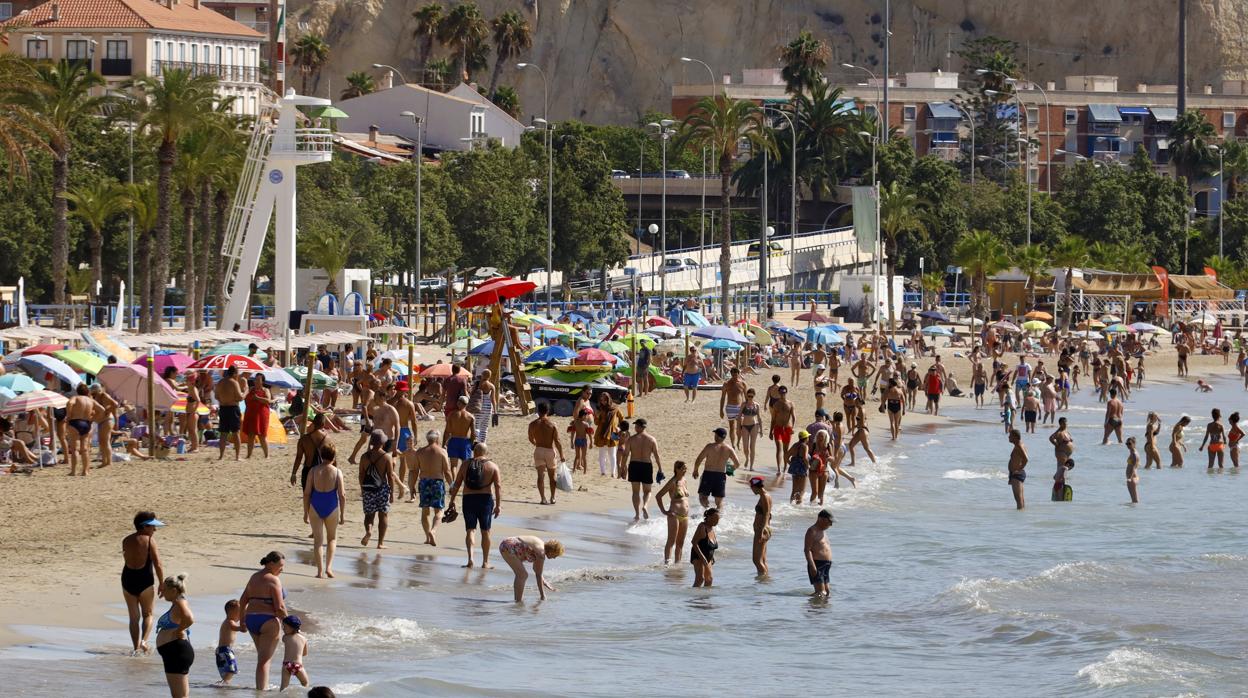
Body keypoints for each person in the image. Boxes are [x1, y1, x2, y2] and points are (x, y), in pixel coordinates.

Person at [238, 551, 288, 690]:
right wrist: (290, 624)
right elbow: (279, 607)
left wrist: (242, 621)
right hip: (268, 621)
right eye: (280, 565)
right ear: (271, 563)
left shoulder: (254, 577)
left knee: (262, 658)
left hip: (251, 619)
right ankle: (262, 691)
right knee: (264, 661)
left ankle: (261, 689)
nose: (282, 569)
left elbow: (243, 600)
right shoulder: (273, 580)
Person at [448, 442, 502, 568]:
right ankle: (485, 562)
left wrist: (452, 500)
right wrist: (498, 505)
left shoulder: (465, 464)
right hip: (485, 500)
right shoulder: (492, 466)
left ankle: (470, 559)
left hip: (468, 499)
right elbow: (498, 486)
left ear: (474, 451)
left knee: (470, 530)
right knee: (485, 531)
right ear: (485, 452)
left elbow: (457, 484)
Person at [122, 512, 166, 655]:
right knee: (148, 614)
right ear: (145, 526)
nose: (155, 530)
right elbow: (158, 563)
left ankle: (136, 649)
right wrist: (162, 582)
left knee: (133, 618)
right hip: (144, 579)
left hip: (127, 579)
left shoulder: (126, 540)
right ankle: (144, 641)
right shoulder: (149, 540)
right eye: (153, 527)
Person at [304, 443, 345, 578]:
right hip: (331, 506)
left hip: (316, 505)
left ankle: (320, 571)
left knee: (318, 540)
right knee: (332, 538)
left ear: (322, 456)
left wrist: (305, 511)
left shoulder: (313, 471)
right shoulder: (337, 472)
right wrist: (343, 514)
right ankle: (329, 568)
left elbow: (307, 493)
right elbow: (342, 495)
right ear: (334, 456)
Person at [155, 574, 194, 698]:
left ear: (173, 590)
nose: (163, 592)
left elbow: (189, 618)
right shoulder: (177, 601)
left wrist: (180, 630)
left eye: (164, 590)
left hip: (176, 652)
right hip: (174, 653)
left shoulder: (179, 602)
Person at [412, 430, 452, 545]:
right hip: (437, 482)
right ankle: (433, 531)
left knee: (425, 511)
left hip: (424, 482)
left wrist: (412, 487)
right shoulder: (442, 451)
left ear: (427, 439)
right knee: (439, 511)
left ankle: (427, 537)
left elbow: (415, 471)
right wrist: (452, 485)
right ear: (437, 439)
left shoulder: (419, 452)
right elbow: (447, 471)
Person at [359, 430, 397, 549]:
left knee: (369, 515)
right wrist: (392, 492)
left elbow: (361, 475)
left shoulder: (364, 456)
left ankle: (369, 531)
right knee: (383, 515)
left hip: (368, 488)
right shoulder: (386, 457)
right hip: (382, 489)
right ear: (382, 443)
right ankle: (380, 543)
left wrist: (362, 488)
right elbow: (390, 476)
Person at [499, 536, 563, 602]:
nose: (555, 558)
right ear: (552, 551)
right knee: (522, 575)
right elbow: (538, 575)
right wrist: (542, 595)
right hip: (509, 547)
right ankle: (518, 602)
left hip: (506, 543)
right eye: (555, 555)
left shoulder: (540, 544)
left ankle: (517, 600)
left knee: (521, 575)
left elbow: (536, 569)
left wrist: (543, 581)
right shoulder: (541, 553)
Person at [621, 418, 662, 521]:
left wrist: (622, 468)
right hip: (646, 465)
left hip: (634, 465)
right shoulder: (652, 439)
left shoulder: (631, 439)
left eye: (636, 426)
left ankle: (637, 514)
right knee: (647, 491)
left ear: (641, 427)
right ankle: (645, 506)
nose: (635, 427)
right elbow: (657, 456)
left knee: (635, 492)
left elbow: (625, 455)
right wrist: (660, 469)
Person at [693, 427, 741, 510]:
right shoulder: (729, 449)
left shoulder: (710, 446)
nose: (714, 436)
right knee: (719, 502)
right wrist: (729, 470)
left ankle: (707, 512)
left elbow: (699, 459)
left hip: (708, 474)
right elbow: (737, 464)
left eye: (715, 434)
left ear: (718, 436)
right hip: (720, 476)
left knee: (703, 497)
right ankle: (718, 517)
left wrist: (695, 470)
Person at [654, 460, 690, 565]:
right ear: (677, 469)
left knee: (680, 543)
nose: (685, 470)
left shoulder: (684, 480)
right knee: (671, 541)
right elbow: (658, 496)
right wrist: (664, 511)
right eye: (683, 468)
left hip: (685, 516)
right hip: (674, 514)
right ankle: (667, 564)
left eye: (686, 468)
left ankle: (677, 564)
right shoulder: (672, 482)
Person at [527, 403, 564, 505]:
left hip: (538, 450)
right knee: (552, 477)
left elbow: (530, 438)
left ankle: (543, 498)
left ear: (538, 411)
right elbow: (557, 441)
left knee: (540, 476)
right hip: (549, 451)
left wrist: (537, 444)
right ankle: (552, 497)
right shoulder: (552, 425)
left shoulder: (532, 424)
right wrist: (562, 455)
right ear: (548, 411)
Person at [64, 384, 97, 475]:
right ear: (87, 392)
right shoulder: (91, 400)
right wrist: (92, 418)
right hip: (86, 423)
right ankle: (85, 471)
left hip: (75, 422)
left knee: (75, 449)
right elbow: (101, 410)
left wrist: (69, 415)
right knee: (85, 449)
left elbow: (69, 403)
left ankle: (73, 471)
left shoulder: (76, 398)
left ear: (77, 391)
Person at [215, 367, 245, 461]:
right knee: (236, 433)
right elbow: (240, 398)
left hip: (223, 408)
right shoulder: (234, 382)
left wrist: (224, 400)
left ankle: (221, 456)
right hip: (232, 409)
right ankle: (237, 456)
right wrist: (246, 391)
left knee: (223, 433)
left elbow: (216, 396)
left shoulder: (220, 382)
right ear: (235, 373)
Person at [593, 392, 622, 477]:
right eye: (601, 400)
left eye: (604, 400)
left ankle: (613, 473)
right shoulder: (600, 409)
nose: (603, 402)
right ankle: (603, 472)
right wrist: (597, 416)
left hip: (613, 433)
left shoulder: (616, 408)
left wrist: (619, 428)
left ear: (608, 399)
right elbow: (596, 423)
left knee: (612, 454)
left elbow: (622, 420)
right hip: (601, 433)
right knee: (602, 454)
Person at [769, 385, 795, 476]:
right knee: (779, 448)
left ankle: (785, 468)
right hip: (778, 428)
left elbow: (793, 417)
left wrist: (793, 427)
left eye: (784, 392)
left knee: (786, 450)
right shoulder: (776, 404)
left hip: (787, 428)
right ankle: (779, 469)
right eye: (781, 392)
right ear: (779, 393)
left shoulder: (790, 403)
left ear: (786, 392)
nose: (782, 394)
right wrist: (770, 432)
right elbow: (773, 419)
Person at [690, 508, 719, 588]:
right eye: (715, 518)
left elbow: (711, 547)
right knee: (700, 579)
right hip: (698, 556)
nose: (717, 521)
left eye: (718, 519)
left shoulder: (711, 528)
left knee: (709, 579)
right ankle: (694, 598)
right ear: (709, 517)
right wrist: (702, 558)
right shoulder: (702, 526)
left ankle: (704, 599)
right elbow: (694, 542)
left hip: (708, 557)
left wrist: (712, 557)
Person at [215, 599, 242, 686]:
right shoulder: (230, 622)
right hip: (225, 650)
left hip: (223, 650)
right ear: (230, 612)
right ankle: (223, 684)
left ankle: (224, 684)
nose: (240, 614)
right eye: (239, 612)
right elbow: (237, 628)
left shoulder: (229, 621)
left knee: (227, 671)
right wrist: (245, 626)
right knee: (231, 670)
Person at [279, 616, 310, 691]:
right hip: (297, 665)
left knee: (283, 687)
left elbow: (284, 640)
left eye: (285, 627)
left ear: (292, 628)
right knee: (305, 683)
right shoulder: (304, 639)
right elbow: (305, 653)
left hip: (286, 665)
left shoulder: (285, 637)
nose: (283, 629)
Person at [750, 476, 772, 577]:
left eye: (752, 487)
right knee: (762, 559)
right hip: (763, 529)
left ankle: (762, 580)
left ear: (755, 486)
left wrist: (761, 531)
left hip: (762, 530)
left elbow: (767, 514)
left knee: (756, 560)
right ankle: (765, 581)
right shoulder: (765, 495)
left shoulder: (764, 496)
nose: (752, 490)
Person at [721, 367, 747, 446]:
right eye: (733, 375)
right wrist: (721, 410)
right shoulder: (726, 384)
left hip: (740, 407)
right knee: (732, 427)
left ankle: (738, 442)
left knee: (740, 426)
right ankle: (733, 444)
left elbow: (746, 397)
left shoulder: (743, 383)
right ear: (731, 374)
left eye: (736, 375)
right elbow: (723, 397)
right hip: (730, 407)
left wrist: (747, 408)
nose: (735, 377)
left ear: (739, 374)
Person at [738, 388, 761, 470]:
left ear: (754, 396)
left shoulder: (756, 405)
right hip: (745, 426)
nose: (750, 397)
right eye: (749, 396)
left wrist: (761, 429)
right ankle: (747, 458)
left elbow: (759, 417)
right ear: (746, 396)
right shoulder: (744, 404)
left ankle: (751, 466)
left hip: (754, 426)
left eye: (751, 396)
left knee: (752, 447)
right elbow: (739, 416)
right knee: (745, 447)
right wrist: (738, 427)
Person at [786, 430, 811, 505]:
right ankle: (798, 506)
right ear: (806, 438)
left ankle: (790, 505)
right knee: (801, 491)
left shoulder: (795, 445)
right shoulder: (805, 446)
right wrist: (808, 466)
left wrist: (790, 463)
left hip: (794, 467)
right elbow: (805, 458)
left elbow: (786, 456)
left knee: (794, 490)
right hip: (802, 468)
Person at [1007, 429, 1027, 510]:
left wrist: (1018, 469)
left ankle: (1019, 518)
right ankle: (1022, 516)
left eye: (1010, 436)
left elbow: (1026, 459)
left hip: (1017, 474)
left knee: (1018, 499)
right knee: (1020, 499)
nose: (1009, 437)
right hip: (1015, 474)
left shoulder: (1019, 445)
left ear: (1015, 437)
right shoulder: (1018, 445)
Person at [568, 408, 592, 475]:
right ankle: (585, 471)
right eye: (586, 415)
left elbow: (572, 433)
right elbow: (589, 434)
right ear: (583, 416)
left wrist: (571, 442)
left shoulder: (575, 423)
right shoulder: (586, 424)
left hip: (577, 440)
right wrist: (591, 442)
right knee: (584, 457)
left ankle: (574, 470)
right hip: (583, 440)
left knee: (577, 456)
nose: (587, 417)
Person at [1125, 437, 1140, 504]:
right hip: (1132, 478)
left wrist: (1129, 478)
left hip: (1132, 478)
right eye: (1127, 444)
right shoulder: (1133, 452)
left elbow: (1133, 467)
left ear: (1134, 444)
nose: (1128, 445)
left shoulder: (1134, 454)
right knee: (1133, 501)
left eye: (1129, 444)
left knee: (1135, 500)